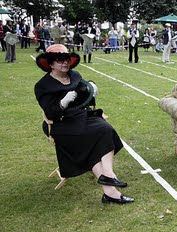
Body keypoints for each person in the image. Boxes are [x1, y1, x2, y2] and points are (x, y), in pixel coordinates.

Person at [34, 44, 134, 204]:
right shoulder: (42, 86)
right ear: (51, 64)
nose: (65, 63)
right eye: (60, 60)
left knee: (105, 129)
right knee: (88, 140)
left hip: (80, 117)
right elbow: (50, 113)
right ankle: (111, 191)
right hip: (59, 124)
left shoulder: (74, 76)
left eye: (66, 59)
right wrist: (63, 103)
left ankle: (107, 175)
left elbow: (84, 96)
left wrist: (91, 90)